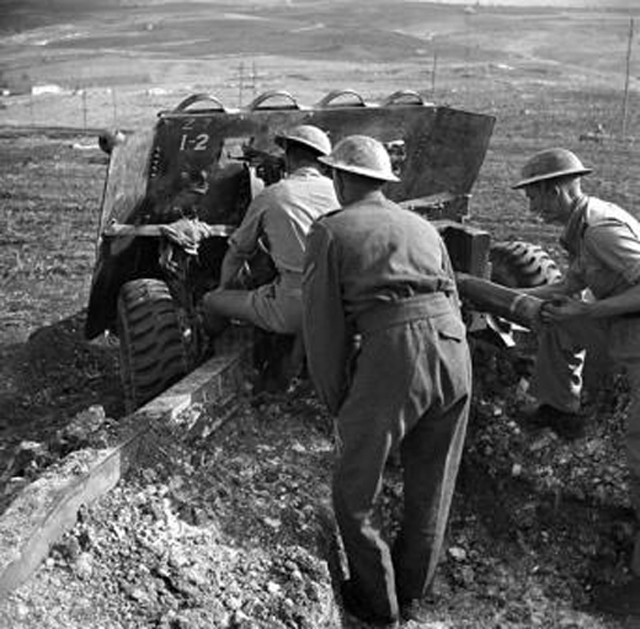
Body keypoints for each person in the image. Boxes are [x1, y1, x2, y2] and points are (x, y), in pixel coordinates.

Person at [302, 135, 472, 627]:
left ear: (338, 179)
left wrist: (340, 404)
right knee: (432, 483)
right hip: (453, 347)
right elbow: (453, 298)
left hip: (397, 352)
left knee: (355, 491)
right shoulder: (423, 227)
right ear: (383, 181)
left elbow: (324, 329)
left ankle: (378, 605)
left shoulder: (331, 232)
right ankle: (413, 587)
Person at [512, 147, 640, 617]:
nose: (532, 210)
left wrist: (589, 310)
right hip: (624, 329)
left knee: (639, 453)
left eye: (536, 198)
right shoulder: (582, 229)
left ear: (558, 189)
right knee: (557, 321)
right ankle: (560, 407)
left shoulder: (602, 231)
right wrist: (507, 297)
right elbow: (566, 289)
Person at [201, 124, 338, 336]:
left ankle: (218, 347)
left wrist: (224, 288)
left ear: (289, 157)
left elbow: (238, 253)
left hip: (294, 309)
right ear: (324, 161)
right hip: (341, 304)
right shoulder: (342, 193)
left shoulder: (271, 195)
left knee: (211, 302)